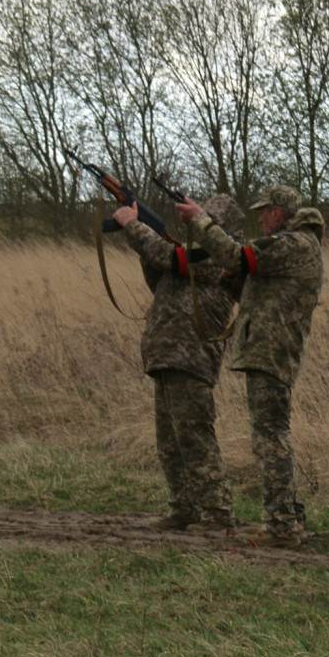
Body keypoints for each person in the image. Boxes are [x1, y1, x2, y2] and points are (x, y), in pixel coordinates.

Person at [177, 185, 324, 548]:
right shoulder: (293, 249)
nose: (259, 219)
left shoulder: (293, 244)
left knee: (269, 439)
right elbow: (261, 296)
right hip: (269, 350)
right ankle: (286, 515)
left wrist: (200, 221)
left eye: (264, 212)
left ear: (279, 212)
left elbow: (236, 255)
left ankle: (282, 526)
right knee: (270, 436)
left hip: (270, 352)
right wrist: (238, 286)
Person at [111, 195, 244, 532]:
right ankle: (184, 508)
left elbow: (168, 258)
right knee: (169, 441)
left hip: (192, 355)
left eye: (206, 221)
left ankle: (216, 514)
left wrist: (132, 225)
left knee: (194, 437)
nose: (198, 228)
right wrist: (149, 239)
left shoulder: (220, 254)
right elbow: (161, 276)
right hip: (167, 353)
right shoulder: (194, 253)